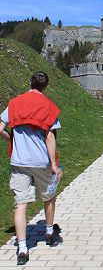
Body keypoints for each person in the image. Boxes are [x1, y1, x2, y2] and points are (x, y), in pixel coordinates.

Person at [0, 72, 63, 266]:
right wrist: (53, 164)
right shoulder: (49, 106)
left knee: (21, 204)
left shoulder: (15, 103)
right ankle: (50, 232)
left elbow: (0, 128)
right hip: (41, 162)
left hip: (19, 161)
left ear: (30, 83)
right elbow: (50, 137)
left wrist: (12, 139)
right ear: (45, 86)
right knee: (49, 196)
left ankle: (22, 248)